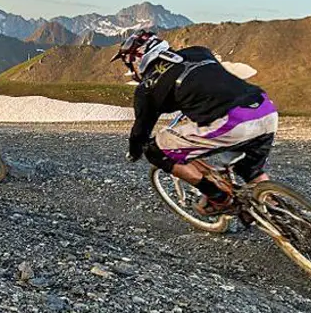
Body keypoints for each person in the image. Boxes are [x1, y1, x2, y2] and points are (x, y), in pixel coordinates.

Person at [112, 31, 278, 215]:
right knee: (250, 170)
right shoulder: (199, 51)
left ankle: (219, 198)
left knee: (155, 151)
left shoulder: (148, 88)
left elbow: (140, 131)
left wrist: (134, 152)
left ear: (137, 59)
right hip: (265, 108)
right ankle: (282, 215)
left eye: (129, 64)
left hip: (234, 121)